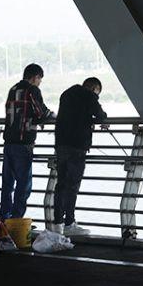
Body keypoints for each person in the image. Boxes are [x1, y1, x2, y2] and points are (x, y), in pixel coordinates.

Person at [52, 77, 107, 236]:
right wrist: (102, 119)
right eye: (98, 93)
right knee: (73, 185)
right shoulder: (89, 96)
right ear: (94, 88)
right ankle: (69, 223)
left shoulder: (67, 94)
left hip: (61, 144)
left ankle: (57, 223)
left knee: (61, 184)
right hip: (77, 146)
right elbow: (100, 114)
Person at [1, 63, 54, 219]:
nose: (39, 83)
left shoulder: (13, 89)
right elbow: (41, 112)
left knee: (8, 184)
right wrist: (52, 115)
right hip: (23, 142)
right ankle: (16, 220)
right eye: (39, 80)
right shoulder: (32, 90)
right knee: (24, 185)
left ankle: (5, 218)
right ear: (35, 77)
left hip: (9, 141)